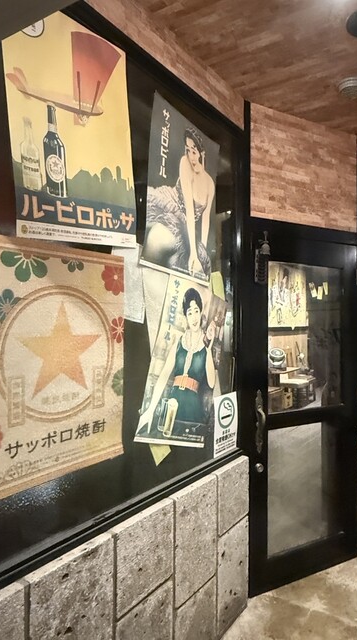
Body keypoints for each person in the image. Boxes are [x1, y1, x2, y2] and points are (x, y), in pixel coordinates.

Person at [139, 288, 216, 440]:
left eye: (196, 311)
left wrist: (208, 348)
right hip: (172, 405)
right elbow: (163, 376)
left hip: (193, 409)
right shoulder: (179, 342)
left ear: (201, 311)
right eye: (189, 313)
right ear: (186, 316)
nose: (194, 317)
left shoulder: (205, 344)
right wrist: (150, 410)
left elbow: (212, 382)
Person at [143, 128, 215, 279]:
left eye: (194, 151)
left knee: (194, 260)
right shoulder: (185, 163)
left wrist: (201, 253)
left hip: (185, 223)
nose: (191, 156)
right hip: (170, 204)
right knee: (156, 235)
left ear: (202, 153)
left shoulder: (210, 183)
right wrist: (193, 254)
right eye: (188, 150)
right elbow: (189, 210)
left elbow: (205, 220)